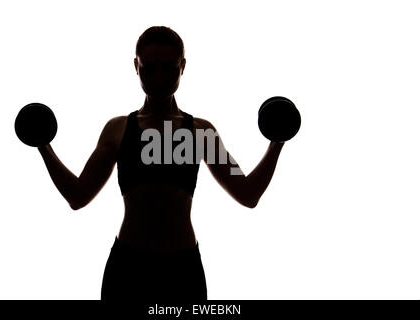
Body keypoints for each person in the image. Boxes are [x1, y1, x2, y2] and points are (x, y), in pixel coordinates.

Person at [37, 26, 285, 303]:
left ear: (183, 67)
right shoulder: (118, 130)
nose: (158, 78)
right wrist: (42, 145)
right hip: (128, 269)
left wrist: (278, 141)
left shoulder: (200, 132)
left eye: (168, 68)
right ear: (135, 66)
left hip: (182, 271)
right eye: (148, 68)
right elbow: (78, 195)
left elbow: (248, 194)